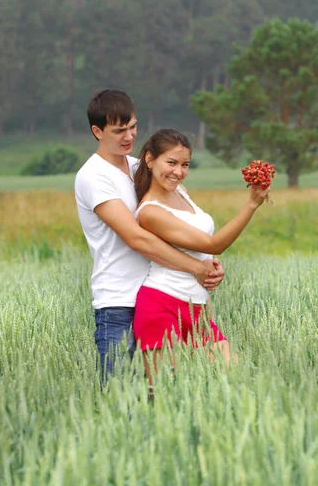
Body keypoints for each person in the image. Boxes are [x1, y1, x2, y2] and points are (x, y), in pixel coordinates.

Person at [74, 90, 224, 381]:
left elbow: (184, 219)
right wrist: (196, 268)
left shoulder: (139, 166)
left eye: (133, 127)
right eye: (119, 131)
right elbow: (136, 238)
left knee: (168, 399)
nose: (129, 136)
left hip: (162, 298)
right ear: (97, 131)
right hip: (119, 304)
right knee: (123, 402)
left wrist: (210, 261)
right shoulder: (93, 176)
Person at [132, 128, 270, 381]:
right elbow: (213, 243)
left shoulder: (180, 193)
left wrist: (210, 265)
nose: (178, 172)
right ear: (150, 160)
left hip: (198, 309)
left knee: (237, 380)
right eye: (171, 163)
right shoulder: (150, 211)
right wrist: (251, 204)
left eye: (185, 164)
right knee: (165, 397)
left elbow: (198, 248)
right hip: (162, 306)